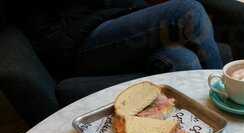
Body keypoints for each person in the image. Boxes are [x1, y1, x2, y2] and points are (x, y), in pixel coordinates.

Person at [6, 0, 223, 78]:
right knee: (187, 10)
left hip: (118, 26)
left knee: (184, 60)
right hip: (76, 40)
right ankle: (226, 93)